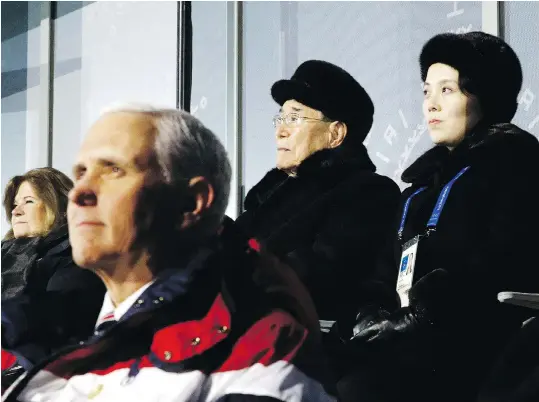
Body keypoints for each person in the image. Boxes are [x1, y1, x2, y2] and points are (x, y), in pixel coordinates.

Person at [2, 106, 335, 401]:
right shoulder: (79, 344)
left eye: (114, 170)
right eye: (81, 173)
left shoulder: (261, 352)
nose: (81, 193)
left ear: (191, 202)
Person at [335, 32, 539, 402]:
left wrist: (424, 313)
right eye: (427, 91)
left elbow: (502, 261)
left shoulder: (516, 164)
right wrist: (372, 311)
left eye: (447, 90)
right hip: (407, 348)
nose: (430, 104)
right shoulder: (416, 191)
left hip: (477, 344)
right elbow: (383, 270)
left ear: (485, 95)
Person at [236, 60, 401, 326]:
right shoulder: (266, 202)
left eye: (294, 118)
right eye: (280, 117)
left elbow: (322, 276)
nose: (281, 130)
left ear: (336, 133)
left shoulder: (368, 192)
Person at [1, 168, 105, 387]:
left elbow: (57, 321)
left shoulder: (76, 259)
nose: (16, 211)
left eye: (28, 202)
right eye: (14, 204)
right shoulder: (6, 256)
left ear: (61, 209)